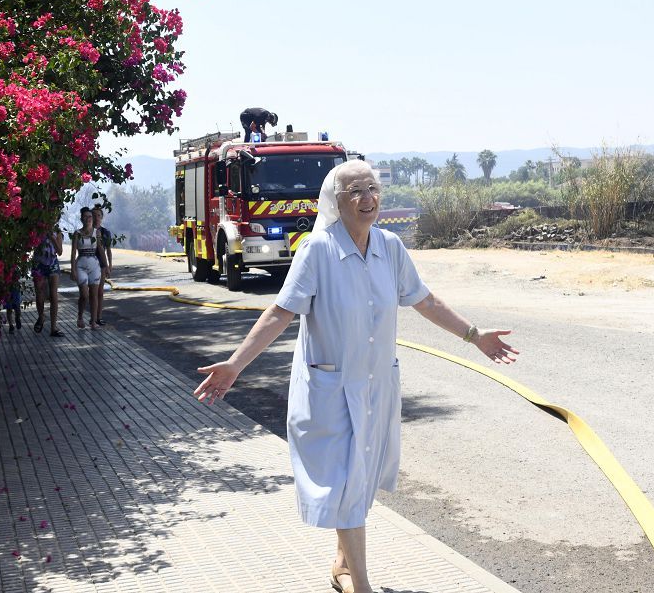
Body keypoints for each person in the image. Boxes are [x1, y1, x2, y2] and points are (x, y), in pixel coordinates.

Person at [194, 160, 518, 593]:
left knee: (361, 477)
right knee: (346, 479)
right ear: (336, 201)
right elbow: (280, 312)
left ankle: (343, 565)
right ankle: (361, 584)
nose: (367, 198)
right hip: (329, 389)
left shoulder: (390, 247)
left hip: (376, 386)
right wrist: (235, 364)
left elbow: (425, 301)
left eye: (373, 188)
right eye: (355, 192)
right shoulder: (318, 249)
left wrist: (475, 335)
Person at [70, 206, 104, 330]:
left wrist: (106, 266)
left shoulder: (97, 233)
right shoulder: (77, 234)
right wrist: (72, 269)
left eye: (90, 216)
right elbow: (73, 252)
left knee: (94, 295)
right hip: (81, 265)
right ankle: (80, 316)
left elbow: (100, 249)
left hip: (94, 265)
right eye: (85, 217)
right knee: (84, 295)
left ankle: (93, 322)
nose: (88, 219)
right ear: (81, 219)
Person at [32, 223, 64, 337]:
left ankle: (53, 328)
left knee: (54, 295)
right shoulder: (36, 228)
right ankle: (41, 317)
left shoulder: (57, 231)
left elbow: (60, 251)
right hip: (38, 263)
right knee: (39, 292)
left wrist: (52, 238)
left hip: (52, 263)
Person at [92, 206, 113, 326]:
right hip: (90, 265)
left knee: (100, 292)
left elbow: (108, 250)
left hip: (101, 264)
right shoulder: (87, 231)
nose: (96, 218)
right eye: (94, 215)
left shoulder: (106, 232)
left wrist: (110, 264)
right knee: (91, 293)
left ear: (102, 217)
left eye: (98, 215)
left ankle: (98, 317)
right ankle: (92, 317)